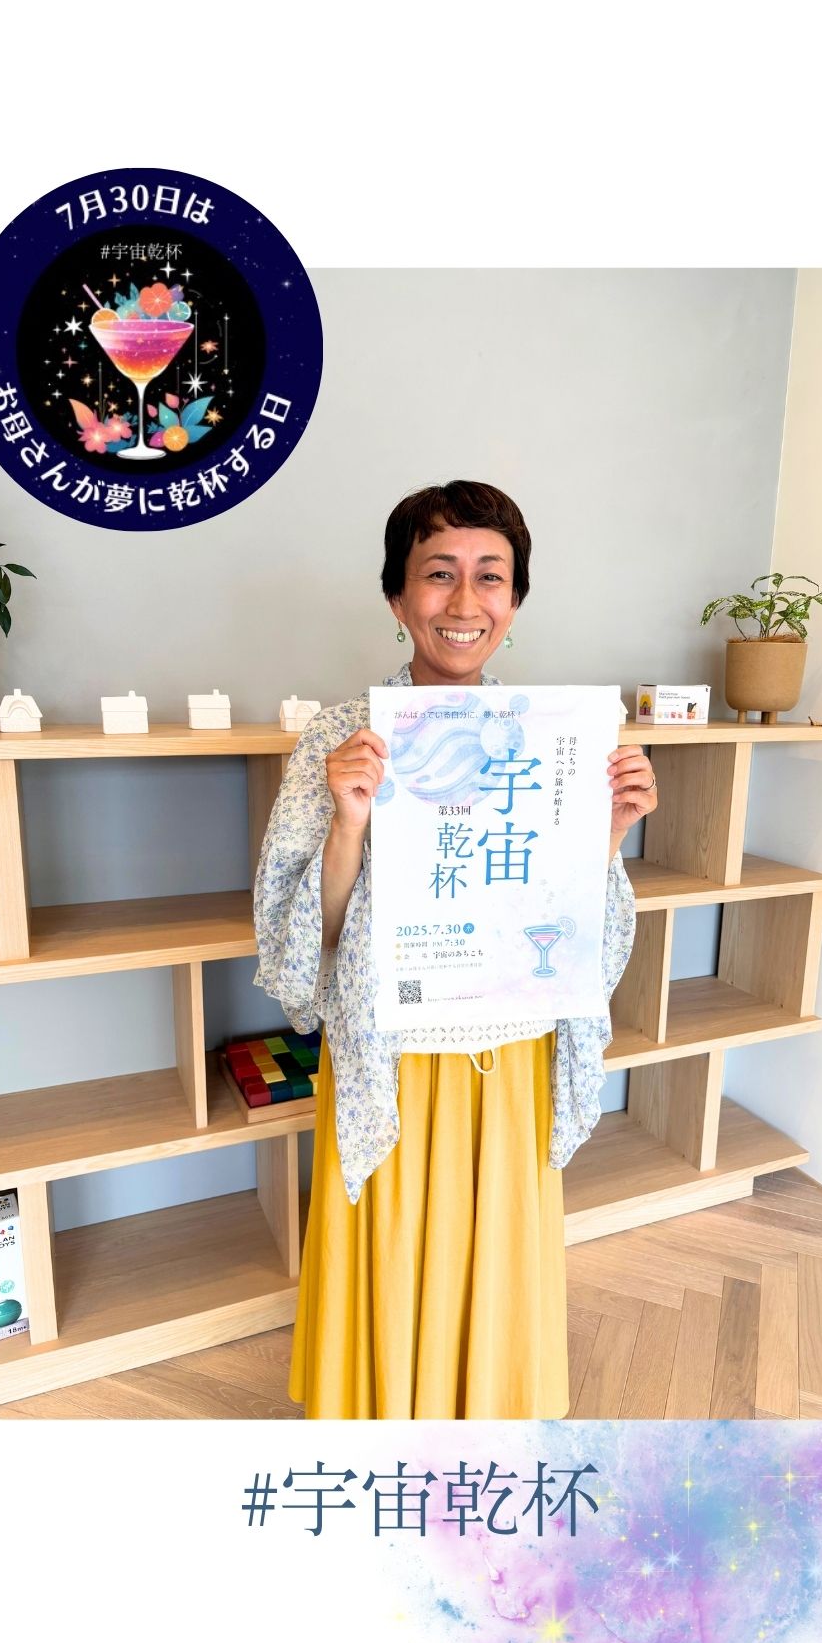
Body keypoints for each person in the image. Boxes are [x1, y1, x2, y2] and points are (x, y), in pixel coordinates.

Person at [252, 481, 658, 1419]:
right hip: (390, 1049)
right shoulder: (340, 736)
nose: (464, 601)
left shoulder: (550, 738)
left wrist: (607, 832)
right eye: (438, 575)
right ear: (397, 597)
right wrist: (348, 819)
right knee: (392, 1247)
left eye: (491, 577)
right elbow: (300, 939)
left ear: (515, 601)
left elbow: (573, 925)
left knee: (498, 1246)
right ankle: (384, 1423)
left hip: (509, 1047)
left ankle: (489, 1425)